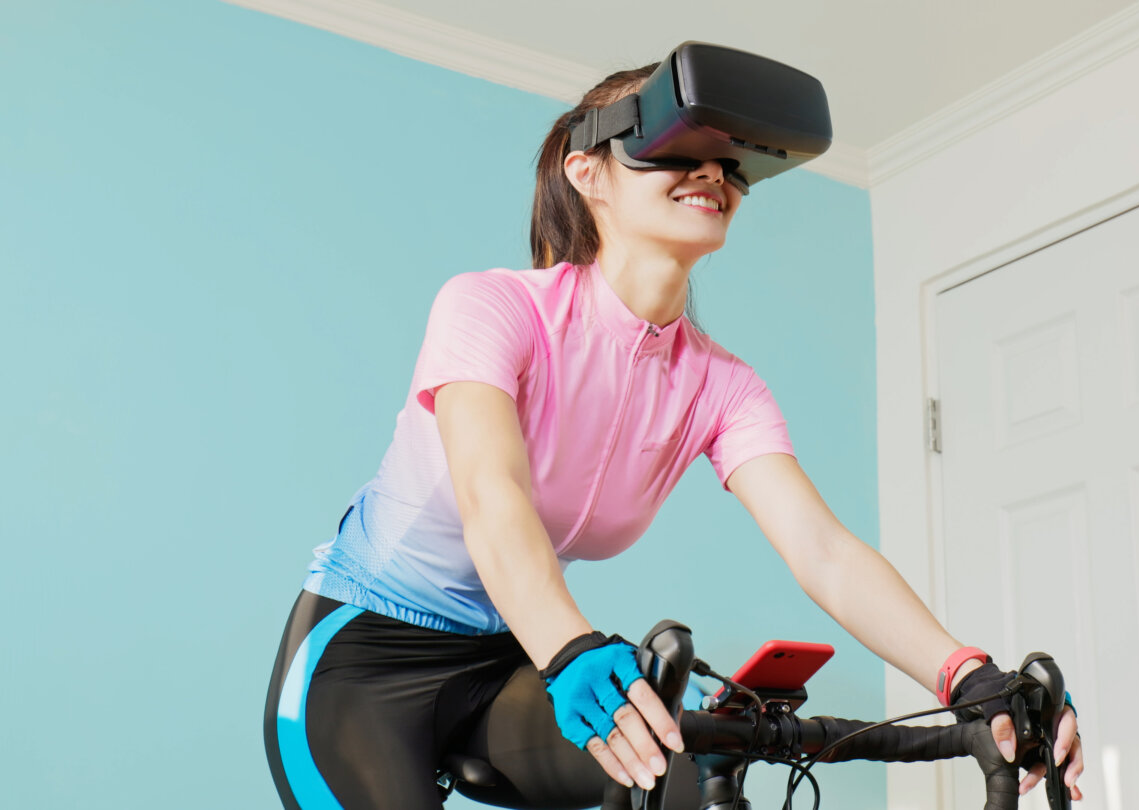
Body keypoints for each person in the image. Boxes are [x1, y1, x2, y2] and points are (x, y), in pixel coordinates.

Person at [262, 59, 1085, 810]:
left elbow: (822, 551)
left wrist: (967, 675)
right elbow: (491, 495)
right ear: (589, 174)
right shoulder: (492, 307)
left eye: (728, 161)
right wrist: (574, 647)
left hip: (508, 660)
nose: (709, 174)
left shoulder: (721, 385)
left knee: (689, 768)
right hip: (361, 658)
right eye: (675, 150)